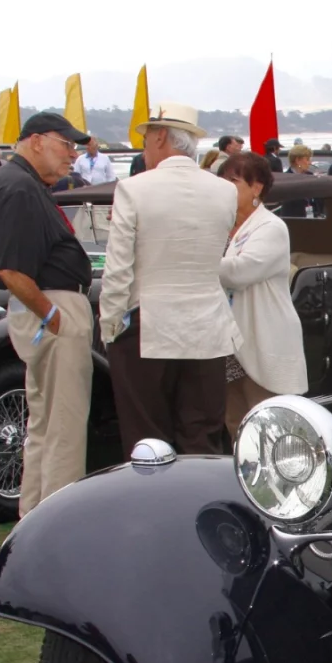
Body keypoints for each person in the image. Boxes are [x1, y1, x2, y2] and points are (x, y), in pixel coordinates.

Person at [99, 101, 241, 456]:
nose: (145, 149)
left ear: (161, 137)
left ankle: (153, 508)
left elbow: (117, 270)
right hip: (207, 322)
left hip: (147, 322)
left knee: (147, 437)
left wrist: (110, 325)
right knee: (203, 433)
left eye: (147, 140)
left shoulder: (133, 189)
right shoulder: (224, 190)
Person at [0, 112, 93, 516]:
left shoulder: (14, 182)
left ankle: (36, 517)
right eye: (67, 145)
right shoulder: (19, 187)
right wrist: (53, 316)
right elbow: (9, 269)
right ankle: (58, 524)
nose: (72, 156)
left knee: (43, 426)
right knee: (64, 426)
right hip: (49, 306)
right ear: (38, 140)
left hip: (43, 307)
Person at [216, 153, 308, 434]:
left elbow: (240, 272)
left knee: (270, 427)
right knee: (236, 425)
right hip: (231, 344)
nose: (224, 189)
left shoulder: (271, 227)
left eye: (232, 181)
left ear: (256, 188)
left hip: (264, 338)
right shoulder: (222, 227)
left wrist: (196, 261)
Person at [276, 144, 323, 218]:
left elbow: (317, 201)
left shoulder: (311, 177)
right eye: (307, 159)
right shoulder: (284, 179)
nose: (310, 163)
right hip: (292, 220)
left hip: (312, 220)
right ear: (298, 160)